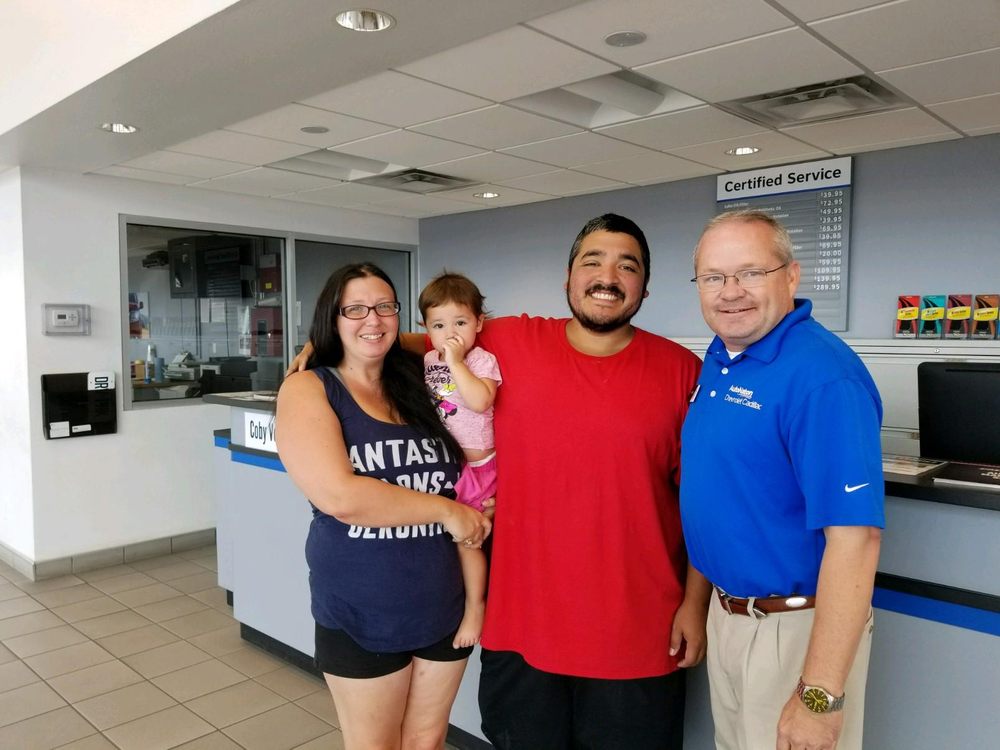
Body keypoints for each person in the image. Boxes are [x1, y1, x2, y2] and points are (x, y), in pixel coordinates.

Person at [289, 215, 708, 749]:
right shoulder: (511, 341)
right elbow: (426, 336)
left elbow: (703, 504)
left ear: (645, 286)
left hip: (635, 630)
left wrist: (694, 604)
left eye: (627, 266)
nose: (607, 277)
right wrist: (325, 346)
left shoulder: (681, 371)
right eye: (592, 262)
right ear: (568, 278)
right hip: (523, 628)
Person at [679, 210, 884, 750]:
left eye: (751, 272)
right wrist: (699, 604)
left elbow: (857, 539)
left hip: (794, 632)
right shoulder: (724, 356)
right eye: (713, 277)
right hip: (730, 616)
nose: (730, 292)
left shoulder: (824, 378)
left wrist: (820, 695)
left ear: (791, 276)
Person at [275, 262, 491, 750]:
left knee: (427, 740)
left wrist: (482, 501)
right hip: (362, 606)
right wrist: (448, 512)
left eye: (384, 307)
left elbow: (450, 332)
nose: (372, 319)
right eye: (354, 309)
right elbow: (340, 496)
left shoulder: (420, 375)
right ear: (331, 317)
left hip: (442, 599)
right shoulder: (310, 388)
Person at [419, 271, 501, 648]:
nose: (450, 333)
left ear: (479, 323)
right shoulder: (426, 360)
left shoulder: (482, 360)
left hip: (477, 468)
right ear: (426, 329)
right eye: (439, 325)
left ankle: (475, 607)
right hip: (443, 465)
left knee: (468, 539)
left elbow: (481, 401)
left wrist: (455, 361)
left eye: (460, 323)